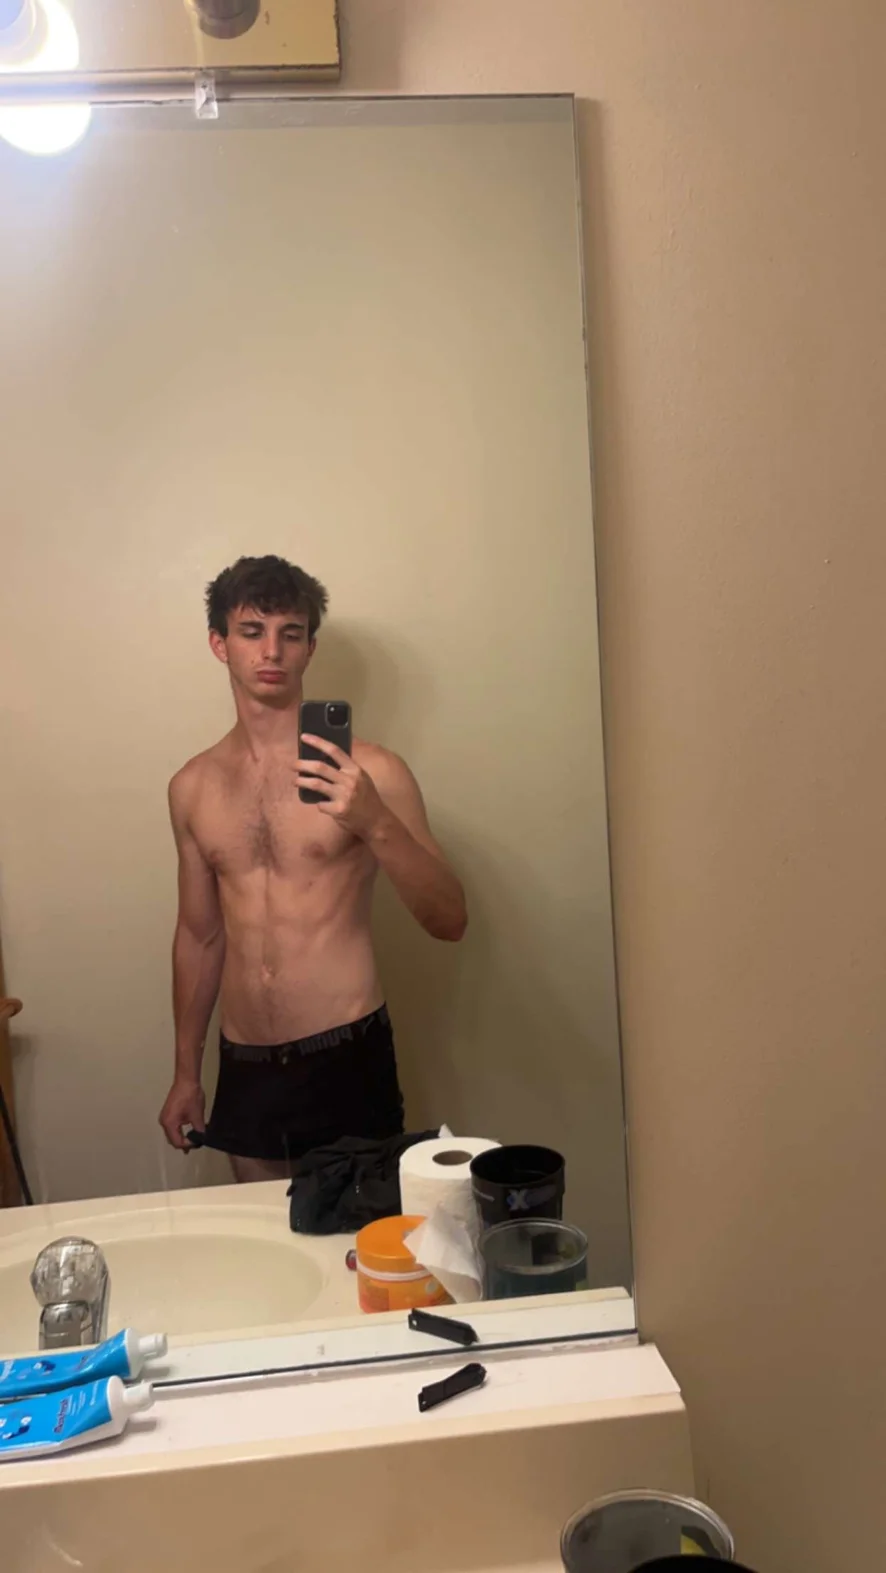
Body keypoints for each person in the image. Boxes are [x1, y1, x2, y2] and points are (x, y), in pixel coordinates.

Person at [158, 555, 467, 1182]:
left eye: (290, 633)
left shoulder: (372, 773)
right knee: (259, 1238)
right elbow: (199, 935)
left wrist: (375, 821)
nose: (271, 650)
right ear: (219, 644)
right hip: (245, 1064)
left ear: (310, 648)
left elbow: (449, 920)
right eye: (252, 632)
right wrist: (186, 1072)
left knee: (361, 1239)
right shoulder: (192, 787)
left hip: (345, 1051)